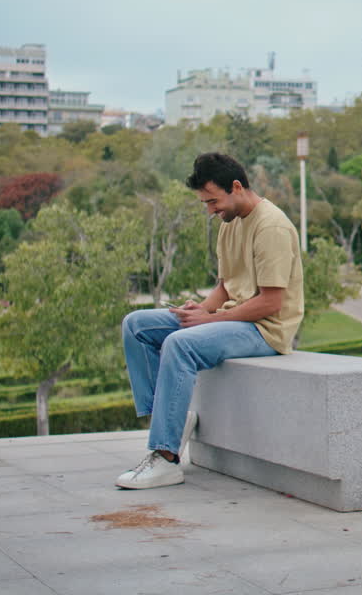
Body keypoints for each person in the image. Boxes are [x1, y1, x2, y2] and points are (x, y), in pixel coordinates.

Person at [115, 152, 305, 489]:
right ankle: (170, 416)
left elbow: (271, 302)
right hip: (232, 320)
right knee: (136, 325)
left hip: (264, 331)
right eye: (205, 203)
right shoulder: (230, 223)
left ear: (236, 187)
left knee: (179, 343)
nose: (210, 211)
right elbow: (224, 287)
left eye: (213, 201)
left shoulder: (271, 226)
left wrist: (210, 319)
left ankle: (166, 458)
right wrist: (200, 310)